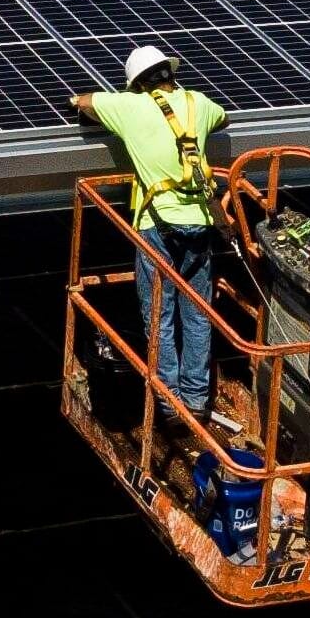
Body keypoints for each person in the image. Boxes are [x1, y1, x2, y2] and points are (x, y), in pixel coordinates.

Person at [69, 46, 229, 432]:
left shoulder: (129, 107)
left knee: (158, 316)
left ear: (137, 83)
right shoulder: (199, 102)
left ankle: (169, 405)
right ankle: (196, 402)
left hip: (156, 225)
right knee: (197, 315)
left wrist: (80, 101)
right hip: (200, 222)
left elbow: (83, 101)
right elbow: (223, 119)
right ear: (169, 74)